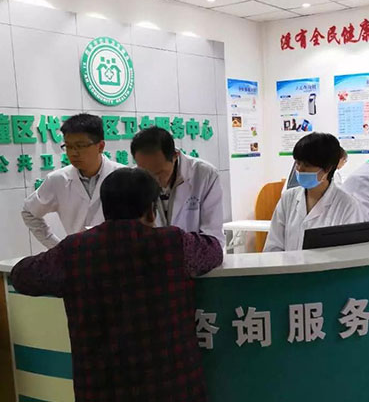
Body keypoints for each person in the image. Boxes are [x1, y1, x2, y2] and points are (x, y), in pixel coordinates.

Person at [11, 168, 223, 401]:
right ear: (151, 210)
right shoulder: (174, 242)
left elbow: (21, 276)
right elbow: (214, 251)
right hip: (174, 388)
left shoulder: (75, 250)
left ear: (106, 209)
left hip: (102, 389)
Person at [21, 113, 123, 248]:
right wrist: (58, 247)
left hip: (118, 254)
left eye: (80, 146)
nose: (73, 153)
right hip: (79, 257)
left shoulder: (123, 176)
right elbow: (29, 212)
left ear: (100, 146)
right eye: (68, 146)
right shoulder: (57, 180)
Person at [264, 133, 365, 252]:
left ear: (327, 168)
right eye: (298, 163)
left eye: (307, 165)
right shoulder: (288, 198)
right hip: (289, 264)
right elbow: (273, 246)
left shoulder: (348, 206)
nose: (299, 169)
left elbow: (351, 253)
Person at [131, 127, 225, 247]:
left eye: (160, 173)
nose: (154, 180)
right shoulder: (133, 180)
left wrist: (181, 250)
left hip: (193, 255)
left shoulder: (204, 175)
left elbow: (212, 235)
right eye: (147, 173)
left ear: (175, 156)